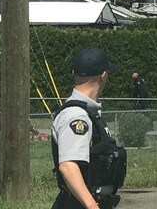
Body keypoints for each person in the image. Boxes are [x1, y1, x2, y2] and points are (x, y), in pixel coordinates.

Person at [51, 46, 126, 209]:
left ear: (73, 73)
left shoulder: (88, 112)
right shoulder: (77, 116)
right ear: (103, 75)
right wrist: (92, 206)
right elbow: (68, 166)